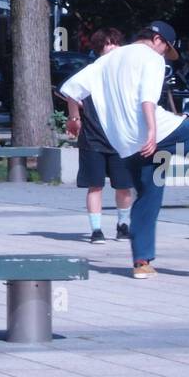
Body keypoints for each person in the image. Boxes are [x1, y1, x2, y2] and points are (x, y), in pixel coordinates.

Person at [60, 20, 189, 278]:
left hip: (124, 142)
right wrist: (152, 132)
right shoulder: (152, 58)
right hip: (152, 132)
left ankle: (141, 263)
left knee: (148, 195)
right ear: (158, 40)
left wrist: (74, 118)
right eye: (165, 50)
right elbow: (148, 98)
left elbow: (71, 91)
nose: (163, 55)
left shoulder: (107, 60)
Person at [60, 27, 133, 244]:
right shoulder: (93, 71)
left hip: (120, 138)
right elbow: (69, 90)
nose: (112, 48)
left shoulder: (126, 71)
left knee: (123, 185)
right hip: (94, 136)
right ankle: (96, 230)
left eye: (115, 43)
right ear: (100, 48)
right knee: (96, 185)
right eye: (107, 43)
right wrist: (75, 118)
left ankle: (123, 225)